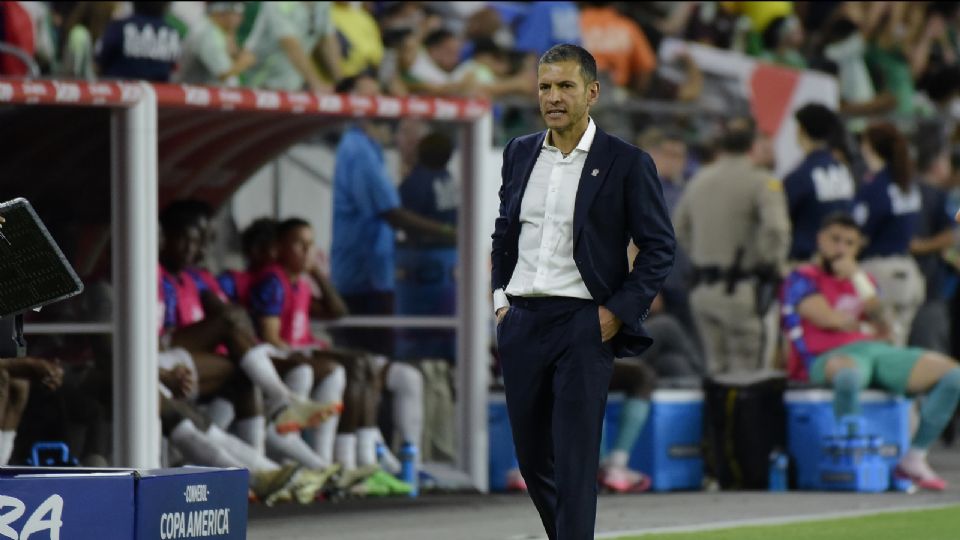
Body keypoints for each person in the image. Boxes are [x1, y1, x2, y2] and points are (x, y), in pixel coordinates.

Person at [491, 44, 675, 539]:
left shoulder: (627, 162)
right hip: (522, 322)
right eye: (545, 86)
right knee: (533, 463)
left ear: (591, 92)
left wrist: (616, 314)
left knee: (574, 464)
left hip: (584, 325)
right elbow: (504, 232)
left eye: (565, 86)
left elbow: (659, 248)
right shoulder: (519, 152)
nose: (553, 97)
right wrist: (500, 301)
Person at [781, 212, 960, 491]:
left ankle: (914, 459)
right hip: (828, 355)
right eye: (835, 240)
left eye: (849, 243)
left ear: (858, 248)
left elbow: (886, 326)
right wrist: (865, 326)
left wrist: (858, 279)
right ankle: (851, 453)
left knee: (953, 376)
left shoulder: (864, 281)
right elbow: (828, 319)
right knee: (849, 377)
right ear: (820, 240)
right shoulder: (802, 277)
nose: (841, 248)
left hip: (875, 352)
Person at [329, 73, 455, 358]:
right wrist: (451, 234)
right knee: (373, 360)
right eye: (367, 96)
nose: (377, 103)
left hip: (379, 275)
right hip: (364, 279)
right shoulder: (358, 149)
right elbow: (393, 214)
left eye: (378, 95)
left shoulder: (372, 150)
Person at [673, 117, 791, 374]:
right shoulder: (761, 180)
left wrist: (701, 255)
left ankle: (717, 416)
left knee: (716, 371)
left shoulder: (698, 179)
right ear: (751, 145)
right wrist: (770, 263)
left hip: (703, 288)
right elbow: (777, 229)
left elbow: (679, 228)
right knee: (749, 374)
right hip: (742, 287)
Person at [853, 122, 924, 347]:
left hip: (881, 271)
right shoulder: (906, 180)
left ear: (870, 146)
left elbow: (861, 234)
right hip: (907, 270)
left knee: (881, 343)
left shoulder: (876, 185)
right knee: (898, 341)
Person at [784, 103, 855, 263]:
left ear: (801, 131)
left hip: (809, 264)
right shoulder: (843, 171)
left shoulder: (800, 176)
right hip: (841, 261)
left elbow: (783, 220)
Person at [909, 143, 955, 352]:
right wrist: (922, 247)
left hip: (924, 280)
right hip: (928, 281)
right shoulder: (933, 193)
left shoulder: (914, 189)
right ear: (936, 165)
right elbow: (951, 235)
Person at [95, 1, 181, 82]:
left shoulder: (119, 27)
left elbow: (98, 62)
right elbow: (173, 69)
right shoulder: (173, 34)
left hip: (116, 93)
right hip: (157, 95)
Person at [176, 1, 256, 86]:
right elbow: (223, 74)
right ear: (221, 13)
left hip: (199, 92)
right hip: (185, 94)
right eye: (237, 14)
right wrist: (243, 63)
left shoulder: (218, 30)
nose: (241, 19)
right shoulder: (208, 33)